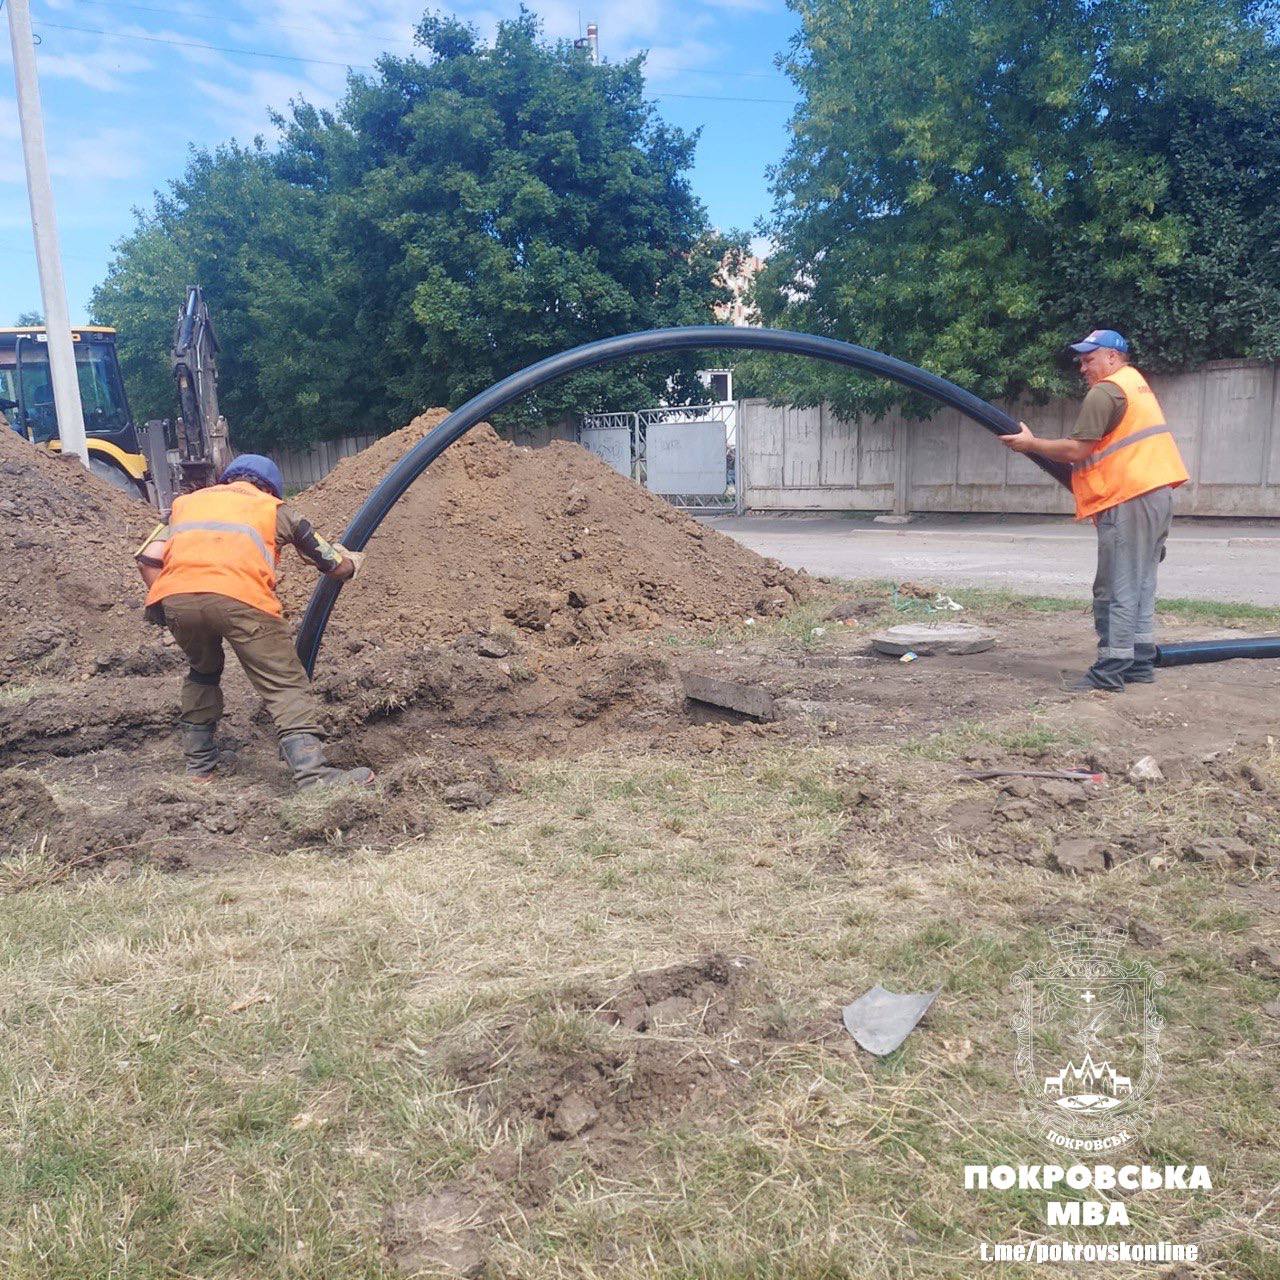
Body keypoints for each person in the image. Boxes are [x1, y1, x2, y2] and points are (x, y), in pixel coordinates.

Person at [135, 454, 374, 786]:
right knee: (284, 683)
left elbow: (147, 557)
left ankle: (199, 768)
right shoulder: (274, 509)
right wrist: (353, 562)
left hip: (178, 598)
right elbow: (333, 564)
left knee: (203, 672)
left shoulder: (185, 504)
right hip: (241, 599)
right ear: (272, 488)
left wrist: (170, 602)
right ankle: (313, 776)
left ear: (227, 479)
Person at [999, 329, 1189, 691]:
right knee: (1141, 581)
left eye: (1090, 359)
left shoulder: (1106, 391)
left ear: (1113, 358)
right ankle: (1139, 663)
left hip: (1129, 497)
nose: (1083, 367)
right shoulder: (1136, 385)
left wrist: (1030, 444)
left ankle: (1110, 670)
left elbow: (1076, 450)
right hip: (1157, 494)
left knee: (1116, 585)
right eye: (1081, 361)